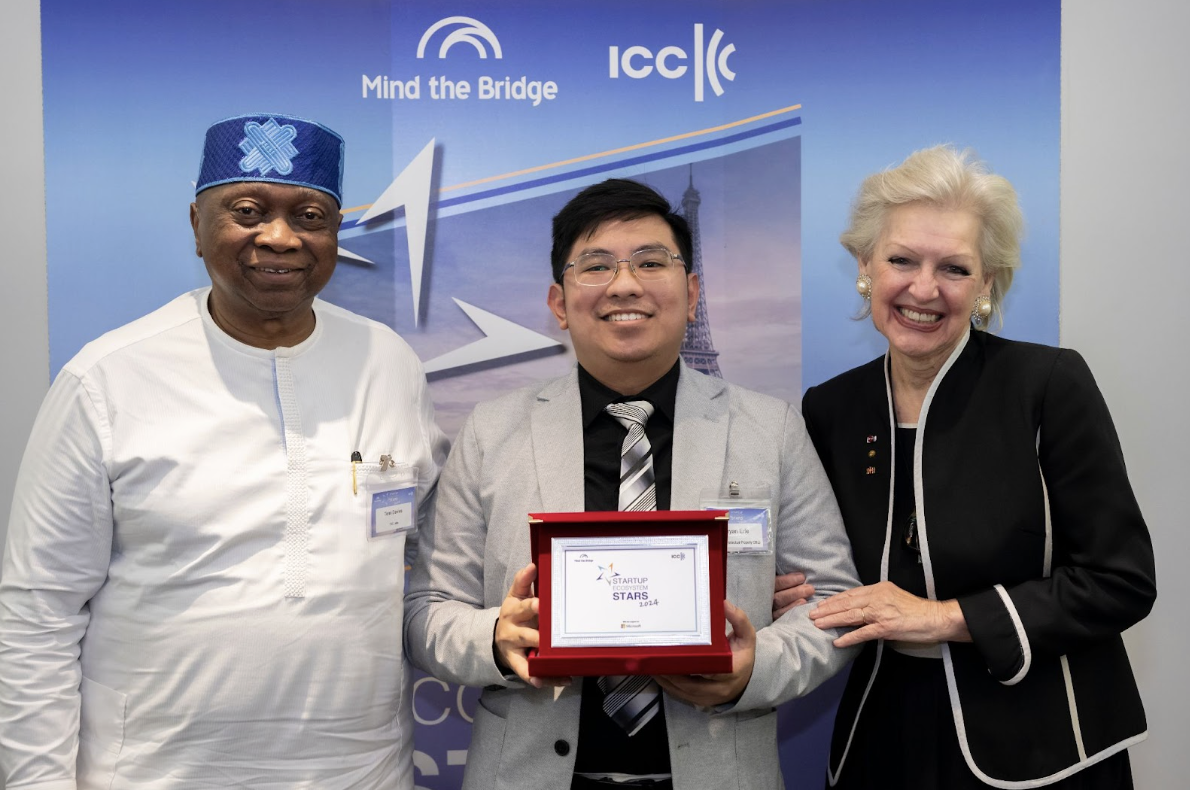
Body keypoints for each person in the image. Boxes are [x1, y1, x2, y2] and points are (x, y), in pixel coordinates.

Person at [0, 113, 448, 788]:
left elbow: (431, 563)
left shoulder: (389, 366)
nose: (280, 236)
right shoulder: (109, 378)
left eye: (310, 215)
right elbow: (37, 614)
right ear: (197, 222)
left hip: (357, 771)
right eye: (246, 211)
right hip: (152, 772)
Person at [404, 178, 860, 790]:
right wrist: (495, 637)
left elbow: (834, 600)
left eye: (651, 262)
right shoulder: (492, 431)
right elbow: (427, 609)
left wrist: (756, 668)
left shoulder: (769, 428)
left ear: (692, 292)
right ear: (559, 303)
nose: (625, 284)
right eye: (595, 266)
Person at [803, 145, 1156, 789]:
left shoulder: (1047, 384)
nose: (923, 288)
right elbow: (836, 569)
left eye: (955, 268)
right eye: (901, 259)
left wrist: (944, 617)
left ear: (987, 282)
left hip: (1041, 744)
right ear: (864, 266)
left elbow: (1121, 580)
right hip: (878, 738)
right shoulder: (831, 408)